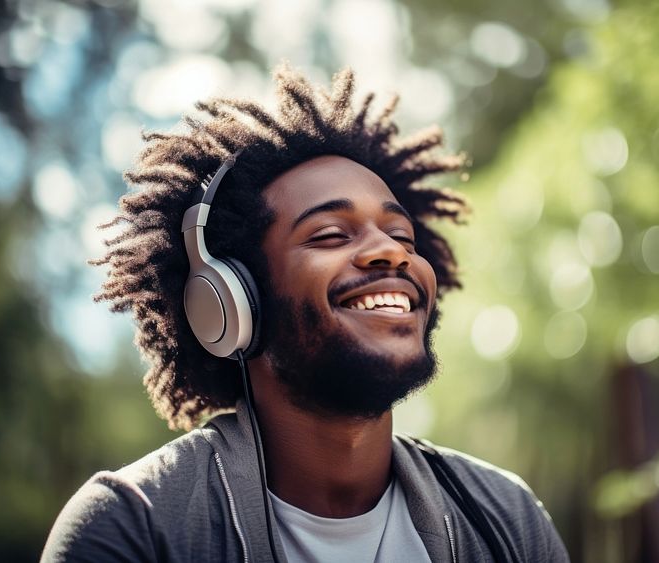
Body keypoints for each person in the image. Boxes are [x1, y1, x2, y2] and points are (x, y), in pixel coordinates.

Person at [41, 65, 569, 562]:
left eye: (402, 235)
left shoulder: (508, 521)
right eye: (331, 235)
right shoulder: (133, 527)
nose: (391, 252)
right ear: (229, 300)